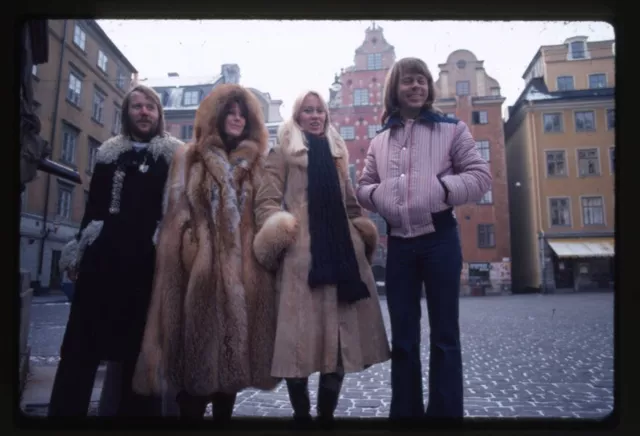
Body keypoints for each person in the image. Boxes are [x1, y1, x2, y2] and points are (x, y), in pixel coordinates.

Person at [132, 84, 280, 421]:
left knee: (229, 375)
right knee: (192, 372)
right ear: (218, 116)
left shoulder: (257, 164)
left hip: (241, 277)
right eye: (231, 112)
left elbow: (264, 212)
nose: (237, 118)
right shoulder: (190, 155)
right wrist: (192, 249)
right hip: (195, 274)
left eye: (242, 114)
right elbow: (176, 211)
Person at [356, 57, 492, 420]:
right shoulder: (380, 140)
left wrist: (440, 189)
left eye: (422, 80)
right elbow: (365, 187)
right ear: (395, 90)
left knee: (445, 336)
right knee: (403, 338)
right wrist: (380, 197)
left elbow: (480, 176)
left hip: (440, 240)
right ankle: (406, 415)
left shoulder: (452, 129)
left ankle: (445, 416)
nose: (416, 86)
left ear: (429, 88)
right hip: (398, 243)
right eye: (408, 81)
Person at [252, 90, 390, 426]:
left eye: (320, 112)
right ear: (297, 116)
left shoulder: (338, 154)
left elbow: (352, 204)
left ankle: (326, 416)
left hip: (343, 255)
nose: (315, 116)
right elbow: (266, 203)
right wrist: (285, 232)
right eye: (308, 111)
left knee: (339, 342)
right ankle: (302, 416)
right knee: (296, 342)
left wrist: (359, 233)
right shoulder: (282, 153)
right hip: (300, 261)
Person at [51, 84, 184, 417]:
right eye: (136, 106)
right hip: (102, 262)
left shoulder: (176, 155)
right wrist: (79, 251)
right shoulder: (109, 152)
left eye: (149, 107)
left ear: (159, 113)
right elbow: (94, 209)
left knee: (137, 355)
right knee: (80, 350)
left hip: (146, 266)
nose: (143, 112)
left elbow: (180, 212)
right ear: (126, 113)